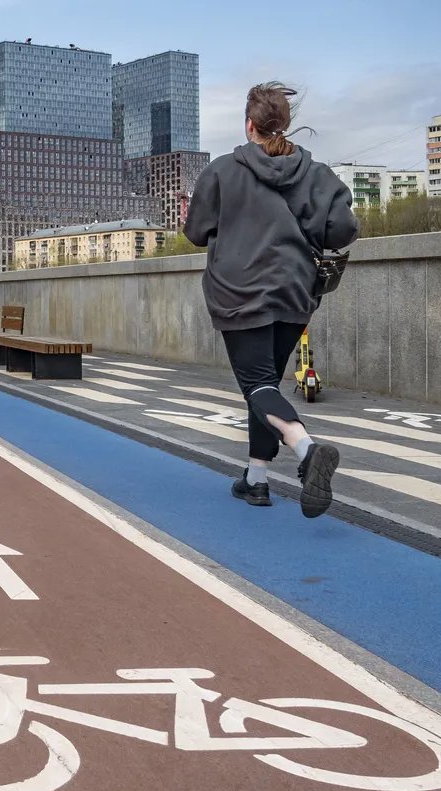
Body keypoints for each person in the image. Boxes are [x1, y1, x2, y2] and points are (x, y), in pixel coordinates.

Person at [183, 82, 359, 518]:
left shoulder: (223, 171)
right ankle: (256, 479)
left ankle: (306, 449)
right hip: (295, 291)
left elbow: (195, 231)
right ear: (286, 124)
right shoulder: (318, 174)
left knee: (257, 384)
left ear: (249, 125)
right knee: (266, 386)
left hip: (240, 292)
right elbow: (343, 229)